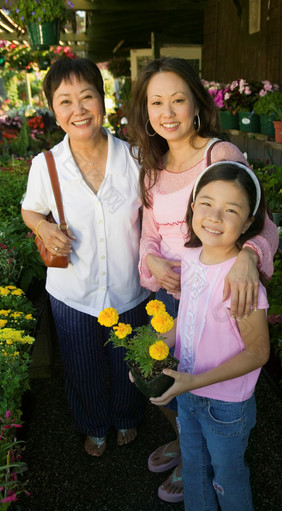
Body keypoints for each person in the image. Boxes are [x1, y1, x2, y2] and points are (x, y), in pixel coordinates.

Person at [127, 57, 278, 503]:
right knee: (175, 385)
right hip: (175, 297)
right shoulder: (151, 167)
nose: (167, 112)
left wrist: (249, 258)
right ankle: (187, 451)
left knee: (212, 386)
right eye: (156, 102)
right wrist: (152, 262)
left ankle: (218, 466)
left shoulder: (219, 155)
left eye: (178, 99)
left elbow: (261, 223)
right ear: (146, 111)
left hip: (219, 285)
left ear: (197, 104)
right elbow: (148, 236)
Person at [21, 58, 150, 457]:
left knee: (128, 362)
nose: (78, 110)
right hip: (73, 290)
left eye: (86, 97)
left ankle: (127, 418)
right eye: (65, 101)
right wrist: (44, 228)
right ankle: (94, 425)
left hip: (130, 285)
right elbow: (31, 209)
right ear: (54, 110)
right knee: (81, 366)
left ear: (103, 101)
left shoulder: (135, 157)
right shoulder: (46, 166)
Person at [150, 161, 270, 511]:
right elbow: (187, 319)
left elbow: (258, 353)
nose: (215, 216)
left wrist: (195, 380)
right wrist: (153, 354)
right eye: (206, 203)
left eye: (231, 210)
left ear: (248, 223)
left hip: (225, 405)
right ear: (191, 208)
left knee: (226, 477)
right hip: (186, 391)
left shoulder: (241, 283)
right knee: (195, 470)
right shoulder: (191, 257)